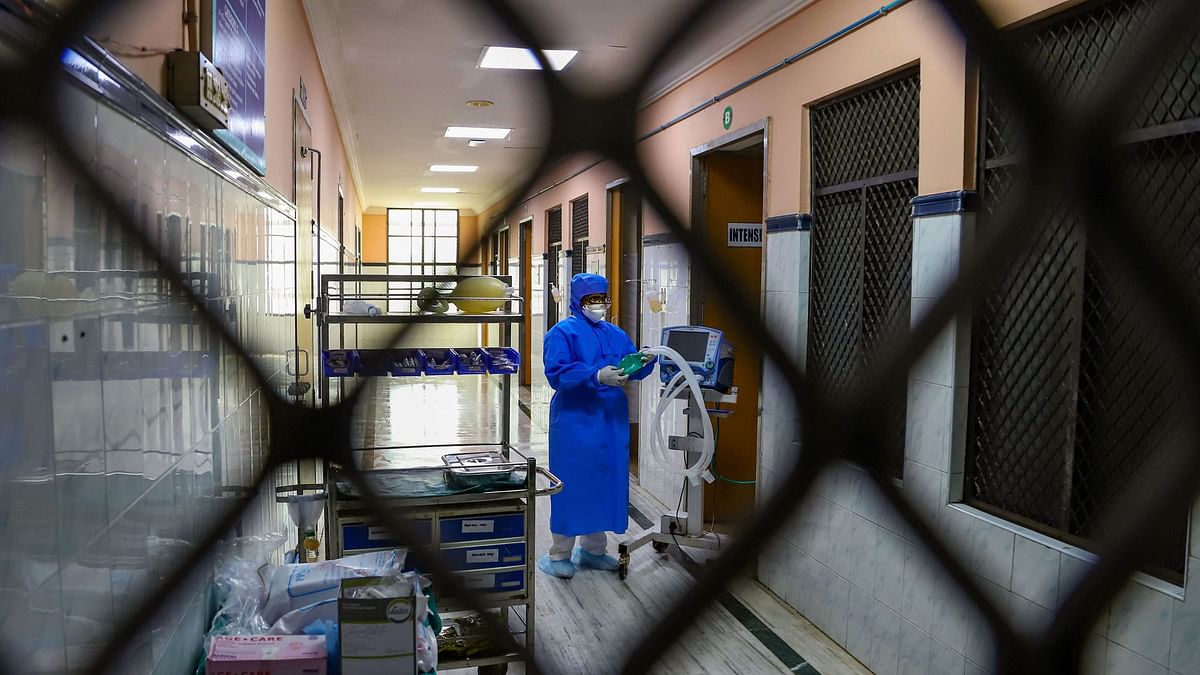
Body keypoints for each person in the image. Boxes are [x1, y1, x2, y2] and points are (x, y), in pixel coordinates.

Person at [539, 273, 656, 578]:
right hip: (576, 422)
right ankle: (559, 554)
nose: (598, 305)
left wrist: (643, 360)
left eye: (603, 299)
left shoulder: (614, 333)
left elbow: (629, 365)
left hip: (610, 421)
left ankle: (594, 550)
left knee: (605, 482)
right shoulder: (562, 333)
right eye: (592, 299)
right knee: (571, 484)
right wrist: (595, 375)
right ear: (578, 301)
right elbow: (558, 373)